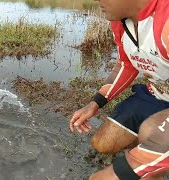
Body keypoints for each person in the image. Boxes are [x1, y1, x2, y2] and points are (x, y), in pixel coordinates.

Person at [69, 0, 169, 179]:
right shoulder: (120, 21)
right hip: (156, 93)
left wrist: (129, 168)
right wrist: (95, 103)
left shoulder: (166, 19)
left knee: (149, 131)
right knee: (102, 143)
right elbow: (127, 64)